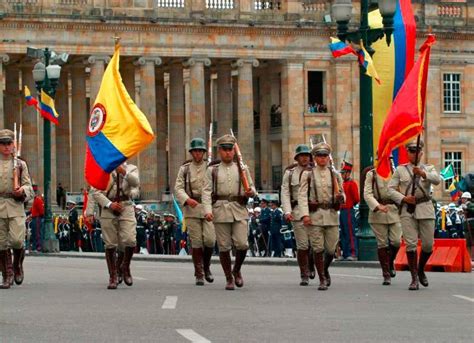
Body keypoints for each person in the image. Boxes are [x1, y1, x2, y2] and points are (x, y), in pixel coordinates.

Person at [202, 134, 256, 290]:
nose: (227, 153)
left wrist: (250, 192)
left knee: (242, 244)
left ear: (234, 151)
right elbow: (206, 192)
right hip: (220, 209)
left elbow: (252, 188)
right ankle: (228, 278)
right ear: (219, 151)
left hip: (239, 208)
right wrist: (207, 210)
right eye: (224, 150)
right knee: (224, 246)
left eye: (230, 149)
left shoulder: (242, 168)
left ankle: (237, 269)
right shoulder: (212, 170)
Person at [388, 139, 441, 291]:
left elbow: (437, 180)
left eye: (417, 151)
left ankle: (421, 268)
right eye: (411, 151)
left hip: (425, 207)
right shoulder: (400, 170)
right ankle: (414, 278)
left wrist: (423, 174)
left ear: (421, 153)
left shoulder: (429, 168)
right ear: (407, 153)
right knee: (410, 244)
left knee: (428, 244)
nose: (414, 154)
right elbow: (390, 190)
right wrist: (404, 198)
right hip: (408, 210)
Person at [298, 142, 344, 291]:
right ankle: (322, 278)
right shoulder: (308, 175)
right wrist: (305, 214)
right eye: (320, 156)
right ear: (315, 158)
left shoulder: (335, 174)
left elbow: (343, 194)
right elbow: (302, 196)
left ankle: (324, 269)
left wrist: (341, 198)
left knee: (330, 249)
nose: (323, 158)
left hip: (331, 215)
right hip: (315, 215)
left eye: (325, 156)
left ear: (329, 158)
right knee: (318, 248)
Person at [174, 138, 216, 285]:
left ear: (204, 152)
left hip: (207, 206)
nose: (197, 154)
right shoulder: (185, 168)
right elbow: (178, 188)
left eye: (200, 151)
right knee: (196, 241)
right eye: (195, 151)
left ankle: (207, 266)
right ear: (191, 153)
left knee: (210, 239)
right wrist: (186, 199)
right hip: (191, 207)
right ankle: (199, 273)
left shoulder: (211, 167)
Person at [92, 162, 140, 290]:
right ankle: (113, 275)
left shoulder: (131, 168)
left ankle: (125, 266)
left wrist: (123, 172)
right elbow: (95, 192)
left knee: (130, 239)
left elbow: (136, 183)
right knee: (110, 243)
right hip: (108, 208)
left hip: (126, 206)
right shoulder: (104, 169)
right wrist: (109, 204)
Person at [0, 129, 34, 289]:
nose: (6, 147)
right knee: (1, 243)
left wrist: (22, 191)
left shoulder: (20, 164)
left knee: (17, 240)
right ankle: (7, 275)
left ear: (14, 145)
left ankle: (17, 265)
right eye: (3, 144)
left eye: (9, 143)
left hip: (15, 206)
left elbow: (29, 187)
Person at [281, 144, 315, 286]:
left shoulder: (316, 172)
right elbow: (285, 193)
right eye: (302, 156)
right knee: (302, 244)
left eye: (307, 155)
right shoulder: (290, 173)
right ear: (297, 158)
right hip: (297, 212)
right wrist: (287, 211)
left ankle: (312, 264)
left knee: (315, 244)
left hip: (314, 211)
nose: (305, 158)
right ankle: (304, 273)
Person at [363, 163, 402, 285]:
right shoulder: (372, 174)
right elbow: (367, 194)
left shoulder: (396, 173)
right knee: (382, 244)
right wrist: (377, 206)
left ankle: (390, 261)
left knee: (396, 241)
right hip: (378, 213)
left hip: (394, 211)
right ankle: (386, 273)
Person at [339, 162, 360, 260]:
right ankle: (345, 253)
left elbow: (356, 198)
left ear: (348, 173)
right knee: (343, 232)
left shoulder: (352, 183)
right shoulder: (342, 183)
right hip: (342, 210)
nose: (342, 175)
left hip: (348, 210)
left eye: (343, 173)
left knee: (350, 233)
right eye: (341, 173)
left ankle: (353, 253)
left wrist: (350, 204)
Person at [30, 185, 44, 252]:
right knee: (35, 232)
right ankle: (35, 246)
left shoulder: (38, 200)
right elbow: (32, 209)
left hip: (37, 218)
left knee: (37, 233)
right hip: (35, 218)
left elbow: (41, 210)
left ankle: (38, 247)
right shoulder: (35, 200)